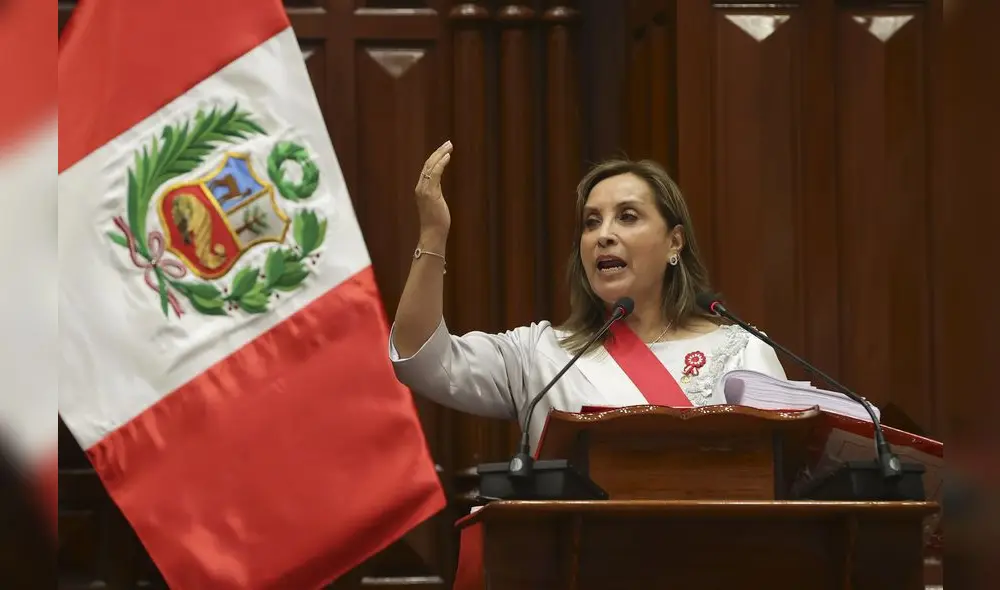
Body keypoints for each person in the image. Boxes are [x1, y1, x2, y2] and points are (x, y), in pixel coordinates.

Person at [389, 140, 787, 453]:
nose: (603, 235)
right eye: (591, 222)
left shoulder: (742, 351)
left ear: (674, 243)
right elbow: (422, 359)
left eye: (627, 217)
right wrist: (433, 234)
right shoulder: (542, 356)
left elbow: (779, 476)